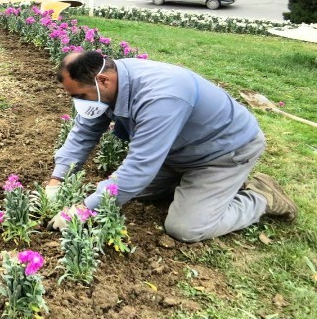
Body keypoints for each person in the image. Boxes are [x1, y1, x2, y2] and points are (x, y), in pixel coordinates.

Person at [46, 50, 297, 243]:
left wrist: (81, 211)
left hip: (222, 153)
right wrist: (56, 180)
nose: (79, 103)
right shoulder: (110, 83)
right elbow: (84, 132)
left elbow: (139, 168)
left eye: (80, 96)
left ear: (103, 80)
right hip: (179, 152)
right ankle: (202, 190)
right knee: (131, 193)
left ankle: (262, 196)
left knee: (185, 228)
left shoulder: (161, 96)